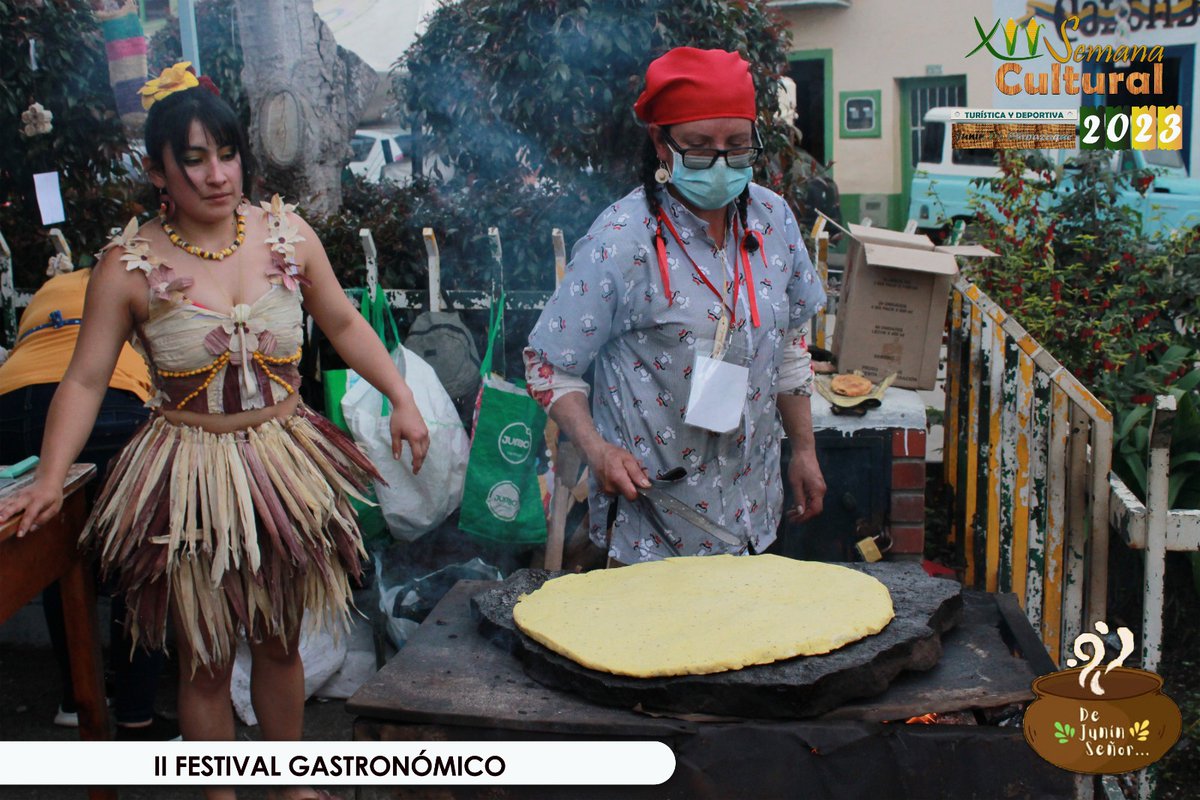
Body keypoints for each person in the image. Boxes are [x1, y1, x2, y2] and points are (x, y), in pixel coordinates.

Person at [0, 63, 428, 800]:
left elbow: (344, 321)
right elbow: (83, 378)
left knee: (279, 641)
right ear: (157, 168)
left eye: (225, 154)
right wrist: (47, 478)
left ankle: (290, 783)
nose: (215, 174)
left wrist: (402, 396)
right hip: (187, 472)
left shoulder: (287, 234)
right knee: (202, 655)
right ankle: (220, 793)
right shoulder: (126, 266)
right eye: (192, 159)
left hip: (284, 460)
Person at [524, 47, 827, 565]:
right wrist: (599, 451)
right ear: (661, 143)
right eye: (698, 145)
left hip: (755, 515)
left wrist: (803, 449)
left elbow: (792, 344)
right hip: (654, 526)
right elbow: (548, 365)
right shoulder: (621, 240)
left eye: (736, 144)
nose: (721, 161)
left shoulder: (773, 221)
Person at [0, 265, 177, 740]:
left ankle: (75, 702)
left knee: (59, 556)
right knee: (142, 557)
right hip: (107, 404)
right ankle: (136, 715)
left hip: (11, 408)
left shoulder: (48, 287)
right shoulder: (133, 280)